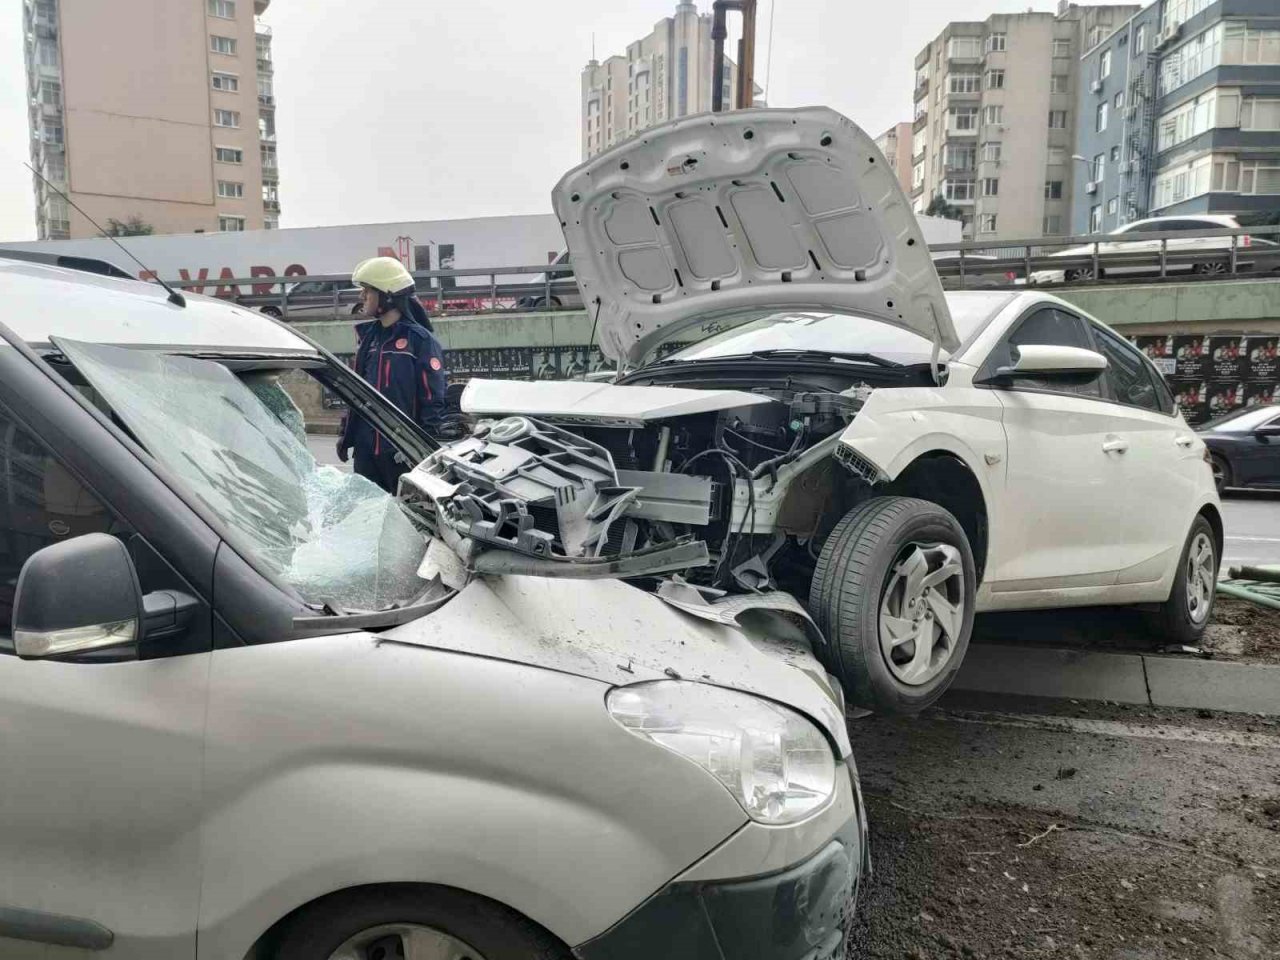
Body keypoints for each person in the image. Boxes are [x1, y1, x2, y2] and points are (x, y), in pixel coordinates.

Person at [336, 257, 447, 492]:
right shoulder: (368, 339)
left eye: (367, 291)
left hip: (401, 454)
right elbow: (357, 392)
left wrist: (422, 450)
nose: (361, 297)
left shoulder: (420, 340)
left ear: (387, 296)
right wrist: (346, 433)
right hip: (366, 452)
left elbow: (433, 400)